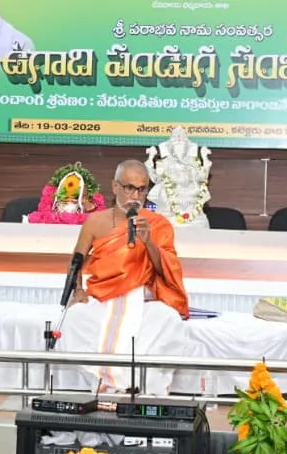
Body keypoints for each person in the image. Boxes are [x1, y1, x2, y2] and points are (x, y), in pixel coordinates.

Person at [57, 160, 189, 395]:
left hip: (142, 301)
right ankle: (106, 382)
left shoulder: (157, 224)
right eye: (129, 188)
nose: (135, 196)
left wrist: (148, 241)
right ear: (115, 187)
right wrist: (78, 291)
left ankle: (142, 386)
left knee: (168, 319)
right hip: (102, 298)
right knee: (74, 318)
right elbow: (76, 261)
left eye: (142, 189)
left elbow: (166, 270)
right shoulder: (95, 222)